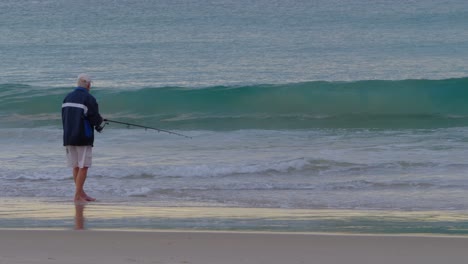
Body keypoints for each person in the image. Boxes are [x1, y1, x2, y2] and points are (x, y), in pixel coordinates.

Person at [62, 74, 104, 202]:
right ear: (89, 85)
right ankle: (77, 196)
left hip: (68, 136)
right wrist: (101, 124)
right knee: (84, 166)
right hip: (83, 136)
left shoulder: (67, 97)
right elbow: (94, 119)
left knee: (75, 166)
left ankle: (81, 194)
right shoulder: (88, 98)